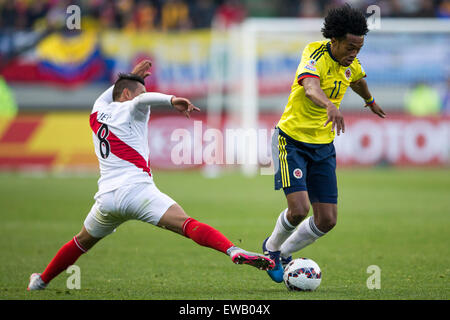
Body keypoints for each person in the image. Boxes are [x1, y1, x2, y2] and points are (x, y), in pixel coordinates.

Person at [27, 60, 274, 290]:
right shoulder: (131, 107)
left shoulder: (97, 111)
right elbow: (140, 101)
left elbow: (115, 92)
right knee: (187, 224)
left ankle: (40, 281)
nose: (142, 97)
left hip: (107, 199)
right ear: (126, 94)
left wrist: (134, 76)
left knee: (80, 242)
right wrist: (171, 99)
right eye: (139, 92)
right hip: (137, 192)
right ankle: (232, 250)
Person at [262, 4, 386, 283]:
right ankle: (270, 249)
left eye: (359, 48)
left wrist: (370, 101)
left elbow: (358, 81)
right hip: (291, 140)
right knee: (299, 209)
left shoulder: (350, 63)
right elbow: (310, 87)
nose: (354, 53)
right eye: (350, 47)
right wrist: (330, 105)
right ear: (335, 40)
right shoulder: (314, 53)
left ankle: (283, 254)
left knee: (327, 219)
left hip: (323, 147)